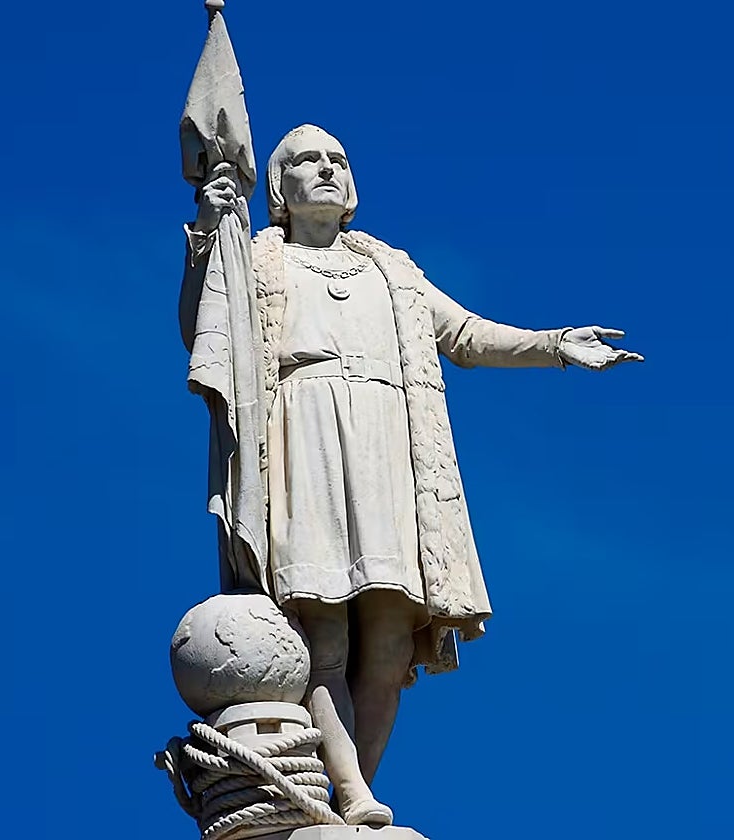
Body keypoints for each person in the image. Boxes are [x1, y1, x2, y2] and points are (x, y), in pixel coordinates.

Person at [179, 124, 642, 826]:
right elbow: (205, 327)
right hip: (304, 431)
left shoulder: (389, 269)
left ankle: (348, 792)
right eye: (307, 160)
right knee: (324, 631)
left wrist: (553, 345)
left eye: (338, 159)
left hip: (387, 441)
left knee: (392, 637)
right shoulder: (257, 257)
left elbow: (465, 335)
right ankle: (351, 794)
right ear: (278, 186)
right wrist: (212, 233)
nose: (327, 169)